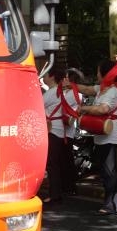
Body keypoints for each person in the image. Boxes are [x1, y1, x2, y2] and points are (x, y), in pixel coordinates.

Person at [76, 59, 117, 215]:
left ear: (105, 73)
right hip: (101, 135)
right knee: (105, 170)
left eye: (98, 71)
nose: (97, 74)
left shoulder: (112, 91)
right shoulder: (102, 89)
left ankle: (110, 204)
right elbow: (87, 89)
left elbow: (103, 109)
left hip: (110, 136)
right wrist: (72, 85)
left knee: (108, 171)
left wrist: (84, 108)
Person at [42, 65, 81, 204]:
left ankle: (54, 194)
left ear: (52, 76)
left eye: (46, 75)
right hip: (60, 130)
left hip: (52, 130)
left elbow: (37, 106)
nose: (44, 77)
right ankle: (58, 192)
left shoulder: (52, 93)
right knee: (57, 162)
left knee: (52, 164)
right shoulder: (59, 92)